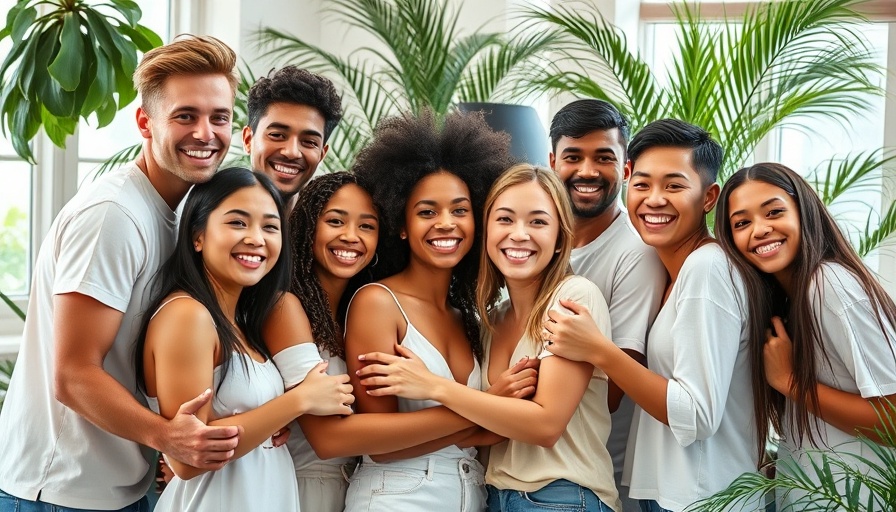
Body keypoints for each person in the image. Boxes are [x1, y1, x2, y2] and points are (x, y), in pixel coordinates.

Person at [0, 35, 244, 512]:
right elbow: (72, 373)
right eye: (185, 115)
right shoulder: (113, 214)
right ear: (144, 122)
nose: (206, 133)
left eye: (220, 117)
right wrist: (166, 436)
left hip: (122, 489)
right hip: (60, 493)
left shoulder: (181, 215)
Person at [357, 164, 621, 511]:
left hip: (563, 496)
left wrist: (435, 386)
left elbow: (545, 425)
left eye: (538, 222)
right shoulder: (491, 321)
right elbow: (489, 431)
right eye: (505, 219)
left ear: (560, 238)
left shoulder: (572, 298)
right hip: (491, 497)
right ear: (486, 232)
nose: (519, 234)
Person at [542, 119, 757, 511]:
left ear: (709, 197)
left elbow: (696, 415)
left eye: (674, 186)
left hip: (703, 496)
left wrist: (599, 351)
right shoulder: (676, 271)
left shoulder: (706, 269)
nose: (654, 199)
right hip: (676, 492)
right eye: (641, 185)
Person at [137, 167, 353, 511]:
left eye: (270, 226)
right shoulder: (187, 316)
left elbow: (245, 419)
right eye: (238, 222)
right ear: (198, 235)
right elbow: (187, 459)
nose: (256, 238)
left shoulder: (240, 322)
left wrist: (275, 420)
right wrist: (298, 402)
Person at [338, 109, 515, 512]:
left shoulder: (469, 317)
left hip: (469, 495)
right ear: (401, 224)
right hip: (395, 496)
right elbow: (378, 445)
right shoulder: (377, 303)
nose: (446, 224)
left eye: (460, 209)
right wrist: (486, 417)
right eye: (427, 212)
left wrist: (481, 420)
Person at [715, 162, 896, 508]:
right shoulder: (788, 301)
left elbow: (893, 421)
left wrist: (791, 382)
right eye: (742, 223)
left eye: (774, 212)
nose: (760, 229)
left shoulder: (829, 284)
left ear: (804, 211)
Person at [549, 99, 665, 511]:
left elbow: (614, 389)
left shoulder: (635, 254)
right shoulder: (538, 243)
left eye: (604, 158)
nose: (586, 171)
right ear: (552, 162)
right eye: (573, 157)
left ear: (626, 168)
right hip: (530, 472)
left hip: (592, 482)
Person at [242, 66, 343, 212]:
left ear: (322, 154)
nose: (292, 152)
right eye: (277, 135)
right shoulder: (207, 220)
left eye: (309, 142)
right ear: (248, 140)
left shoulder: (331, 231)